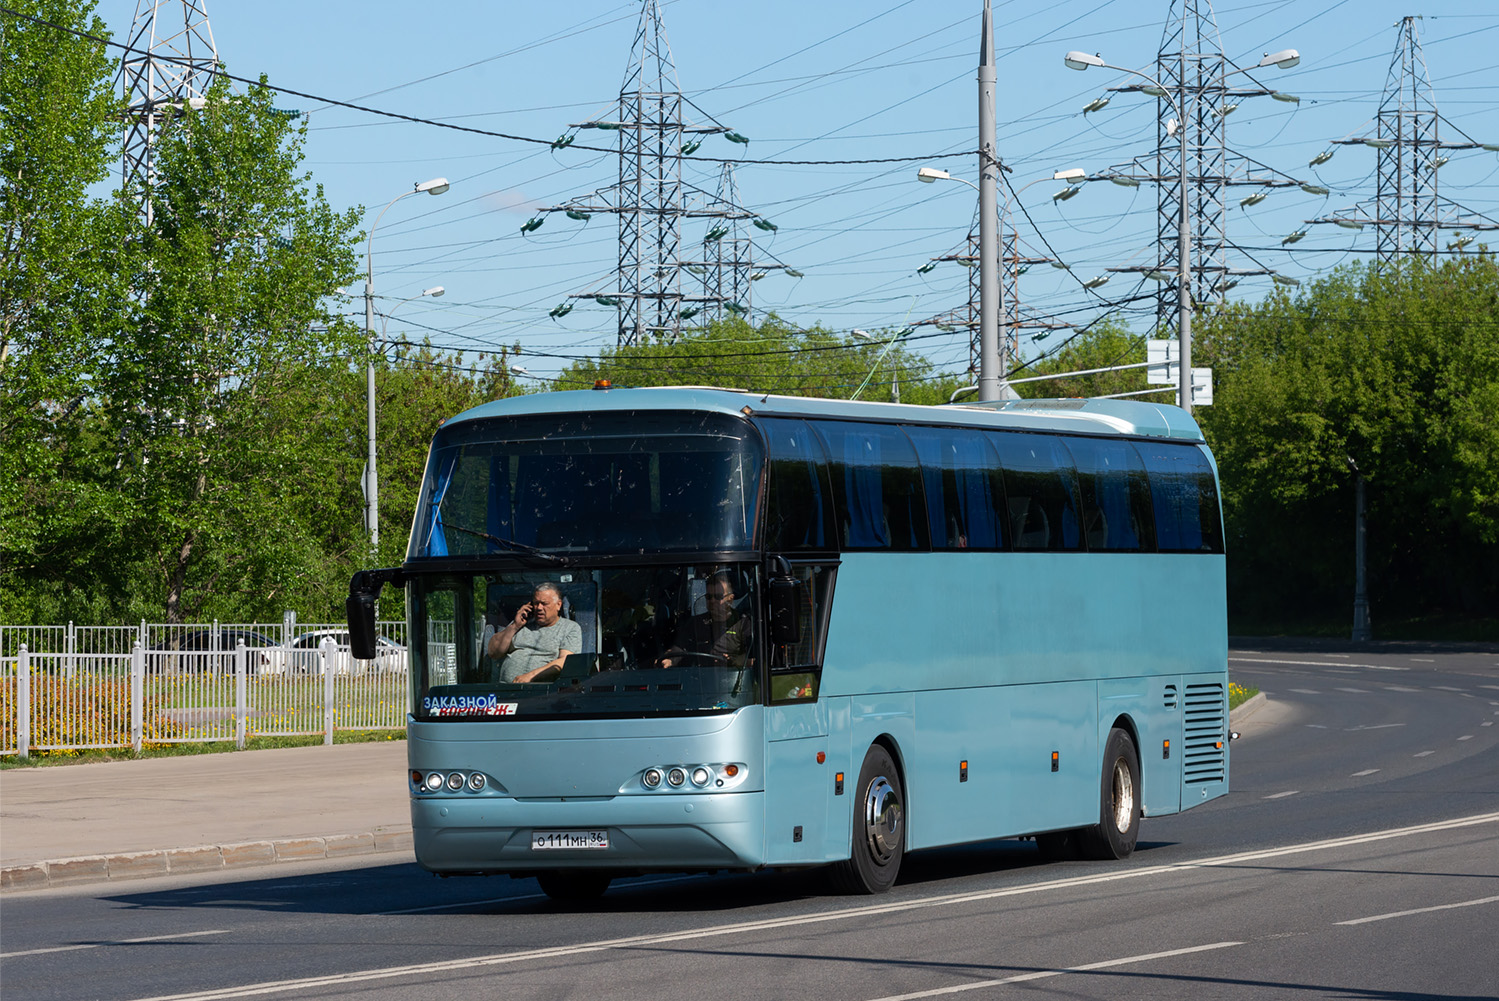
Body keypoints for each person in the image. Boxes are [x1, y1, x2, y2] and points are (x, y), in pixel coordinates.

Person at [486, 583, 581, 683]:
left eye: (544, 603)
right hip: (505, 690)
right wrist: (514, 626)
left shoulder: (569, 628)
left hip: (541, 692)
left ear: (558, 605)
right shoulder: (520, 623)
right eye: (536, 603)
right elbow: (493, 653)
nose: (539, 608)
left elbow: (564, 661)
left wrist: (530, 676)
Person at [659, 571, 753, 668]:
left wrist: (736, 661)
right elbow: (681, 647)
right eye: (709, 597)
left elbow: (754, 659)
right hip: (700, 678)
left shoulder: (743, 624)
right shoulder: (696, 623)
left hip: (733, 679)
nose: (712, 601)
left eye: (718, 597)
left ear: (730, 599)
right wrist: (669, 660)